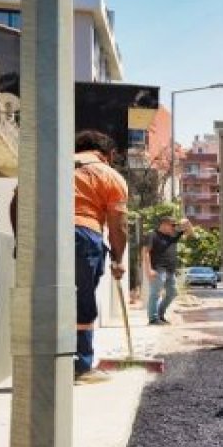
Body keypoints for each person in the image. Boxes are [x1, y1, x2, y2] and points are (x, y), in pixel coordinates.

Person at [73, 131, 130, 385]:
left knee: (40, 297)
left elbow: (18, 199)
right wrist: (118, 259)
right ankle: (81, 366)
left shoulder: (52, 163)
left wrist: (22, 239)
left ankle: (38, 362)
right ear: (110, 155)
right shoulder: (109, 175)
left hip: (42, 232)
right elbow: (119, 225)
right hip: (83, 234)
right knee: (81, 300)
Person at [142, 215, 191, 325]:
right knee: (155, 294)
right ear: (164, 224)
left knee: (172, 293)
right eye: (172, 225)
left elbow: (189, 232)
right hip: (158, 269)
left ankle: (160, 314)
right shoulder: (152, 235)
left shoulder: (172, 236)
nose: (174, 228)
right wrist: (148, 269)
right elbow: (145, 252)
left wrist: (187, 223)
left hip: (170, 270)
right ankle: (153, 319)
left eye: (175, 225)